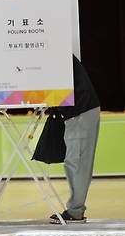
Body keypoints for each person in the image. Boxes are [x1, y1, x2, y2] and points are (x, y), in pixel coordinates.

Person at [34, 55, 100, 224]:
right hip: (79, 112)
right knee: (75, 162)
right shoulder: (59, 55)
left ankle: (75, 212)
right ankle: (75, 210)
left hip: (80, 112)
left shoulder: (58, 55)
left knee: (77, 163)